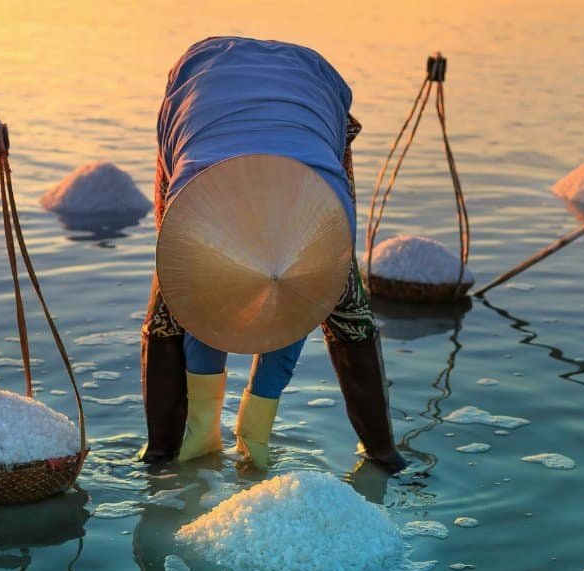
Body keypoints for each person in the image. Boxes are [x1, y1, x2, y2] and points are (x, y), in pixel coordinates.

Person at [139, 36, 406, 473]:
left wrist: (177, 282)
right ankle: (383, 458)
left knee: (178, 297)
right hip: (225, 172)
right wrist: (263, 404)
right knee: (339, 307)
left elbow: (170, 224)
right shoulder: (324, 121)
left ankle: (166, 456)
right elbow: (311, 288)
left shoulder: (189, 91)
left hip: (214, 174)